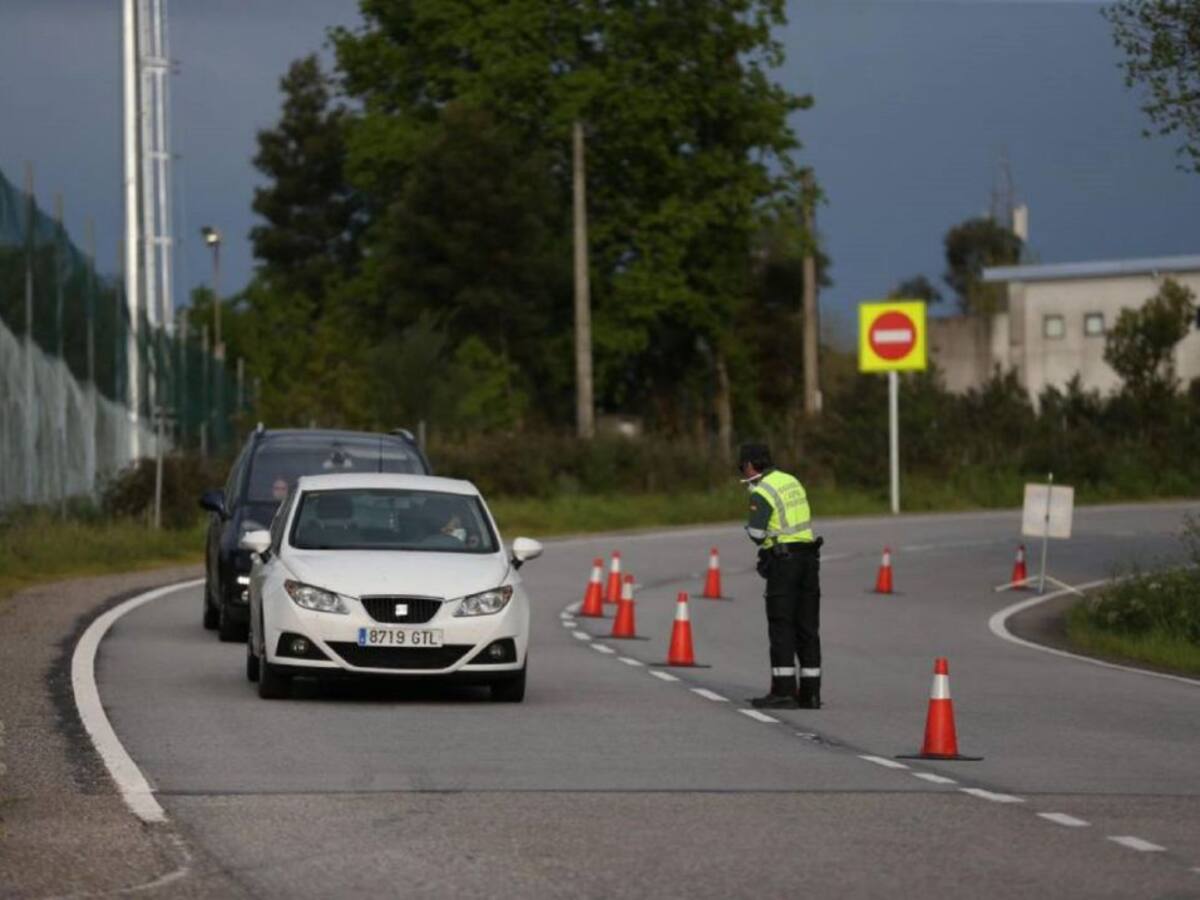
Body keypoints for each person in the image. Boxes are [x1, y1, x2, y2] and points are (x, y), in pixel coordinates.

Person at [738, 442, 823, 710]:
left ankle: (784, 690)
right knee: (807, 626)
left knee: (781, 624)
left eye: (742, 466)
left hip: (784, 562)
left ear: (750, 465)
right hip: (809, 559)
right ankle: (810, 693)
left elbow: (757, 534)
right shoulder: (792, 481)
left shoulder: (762, 491)